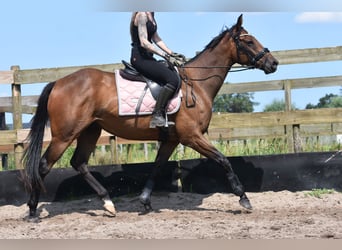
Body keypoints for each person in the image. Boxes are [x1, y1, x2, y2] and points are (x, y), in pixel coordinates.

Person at [130, 12, 185, 128]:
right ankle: (157, 115)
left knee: (172, 71)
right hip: (140, 58)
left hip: (148, 58)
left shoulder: (151, 15)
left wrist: (172, 53)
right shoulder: (142, 15)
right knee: (172, 80)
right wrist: (165, 56)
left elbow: (156, 38)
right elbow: (144, 42)